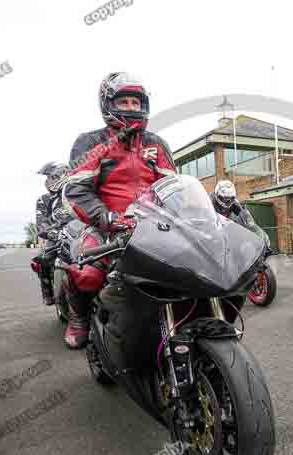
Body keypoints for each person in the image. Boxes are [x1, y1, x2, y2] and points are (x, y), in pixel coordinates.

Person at [61, 72, 175, 349]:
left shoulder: (156, 143)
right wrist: (107, 218)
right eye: (123, 101)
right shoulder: (90, 142)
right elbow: (76, 189)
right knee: (86, 273)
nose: (131, 108)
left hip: (155, 224)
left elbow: (173, 186)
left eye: (136, 102)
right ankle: (79, 319)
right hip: (108, 225)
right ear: (107, 104)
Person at [33, 161, 71, 305]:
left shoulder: (77, 193)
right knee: (43, 259)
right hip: (56, 237)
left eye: (51, 177)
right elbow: (41, 223)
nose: (47, 181)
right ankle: (47, 292)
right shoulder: (44, 200)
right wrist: (52, 233)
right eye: (46, 178)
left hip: (79, 234)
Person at [210, 180, 269, 245]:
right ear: (218, 196)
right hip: (211, 232)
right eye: (225, 198)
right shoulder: (209, 203)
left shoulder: (235, 204)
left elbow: (249, 222)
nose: (228, 201)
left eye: (231, 198)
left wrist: (262, 239)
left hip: (226, 230)